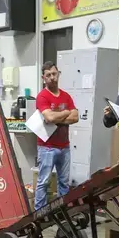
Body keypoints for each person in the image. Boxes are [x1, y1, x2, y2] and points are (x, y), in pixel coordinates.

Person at [35, 61, 79, 210]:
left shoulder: (66, 96)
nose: (52, 77)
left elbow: (76, 117)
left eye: (54, 74)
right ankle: (38, 213)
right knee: (44, 182)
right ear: (43, 78)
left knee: (64, 182)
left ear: (58, 74)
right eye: (48, 75)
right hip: (47, 147)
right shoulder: (42, 97)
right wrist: (66, 113)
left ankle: (63, 211)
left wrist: (59, 116)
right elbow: (50, 118)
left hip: (64, 147)